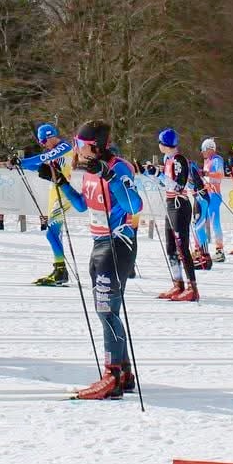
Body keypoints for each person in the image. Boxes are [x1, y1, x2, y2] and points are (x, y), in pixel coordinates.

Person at [56, 120, 143, 400]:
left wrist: (109, 176)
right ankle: (123, 373)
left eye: (80, 144)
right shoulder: (89, 170)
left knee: (106, 311)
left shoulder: (119, 167)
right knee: (107, 310)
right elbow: (83, 205)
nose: (77, 149)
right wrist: (60, 182)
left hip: (118, 243)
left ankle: (112, 375)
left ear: (95, 146)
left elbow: (134, 205)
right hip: (99, 242)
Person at [155, 128, 199, 302]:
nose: (158, 145)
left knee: (182, 248)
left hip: (179, 205)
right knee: (171, 247)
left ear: (164, 144)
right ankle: (177, 283)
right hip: (170, 204)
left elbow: (179, 186)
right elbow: (166, 184)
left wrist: (159, 175)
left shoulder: (179, 159)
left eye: (159, 142)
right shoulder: (168, 160)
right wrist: (154, 174)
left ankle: (192, 288)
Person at [32, 123, 72, 287]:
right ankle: (59, 269)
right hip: (55, 194)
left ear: (50, 136)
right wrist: (18, 163)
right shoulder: (53, 151)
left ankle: (61, 270)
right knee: (55, 233)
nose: (43, 145)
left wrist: (24, 161)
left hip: (64, 194)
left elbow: (39, 160)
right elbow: (37, 164)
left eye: (43, 141)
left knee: (51, 233)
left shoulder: (64, 147)